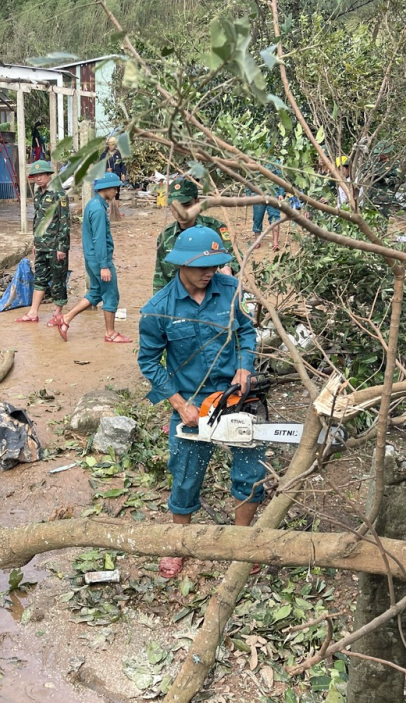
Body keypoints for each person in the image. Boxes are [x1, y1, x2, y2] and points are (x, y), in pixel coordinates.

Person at [137, 226, 265, 578]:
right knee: (185, 474)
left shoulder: (229, 290)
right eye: (202, 267)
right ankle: (180, 543)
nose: (210, 272)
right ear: (180, 265)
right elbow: (148, 362)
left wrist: (244, 366)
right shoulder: (157, 309)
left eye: (215, 265)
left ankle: (242, 545)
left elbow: (246, 331)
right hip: (192, 401)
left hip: (235, 394)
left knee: (250, 471)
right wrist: (179, 405)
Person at [58, 173, 131, 343]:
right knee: (111, 293)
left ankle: (66, 318)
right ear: (104, 188)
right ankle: (110, 333)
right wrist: (104, 265)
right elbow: (99, 239)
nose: (116, 191)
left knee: (96, 292)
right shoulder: (98, 210)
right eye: (114, 188)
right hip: (99, 260)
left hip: (91, 258)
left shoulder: (93, 204)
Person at [153, 178, 235, 294]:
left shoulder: (215, 229)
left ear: (197, 202)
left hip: (212, 296)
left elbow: (233, 256)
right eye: (175, 207)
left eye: (186, 205)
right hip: (179, 301)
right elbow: (160, 279)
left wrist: (228, 267)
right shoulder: (166, 236)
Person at [16, 160, 71, 326]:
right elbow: (38, 220)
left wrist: (62, 247)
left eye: (41, 175)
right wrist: (35, 242)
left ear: (49, 175)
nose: (38, 179)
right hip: (41, 246)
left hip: (55, 247)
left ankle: (58, 313)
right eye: (35, 176)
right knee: (39, 279)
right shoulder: (38, 194)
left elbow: (64, 222)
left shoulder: (59, 194)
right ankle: (33, 312)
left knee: (57, 280)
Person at [252, 162, 283, 252]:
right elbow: (251, 179)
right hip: (259, 195)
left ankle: (275, 242)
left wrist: (281, 194)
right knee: (257, 217)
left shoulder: (275, 162)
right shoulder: (255, 163)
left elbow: (281, 179)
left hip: (273, 194)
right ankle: (257, 241)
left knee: (275, 218)